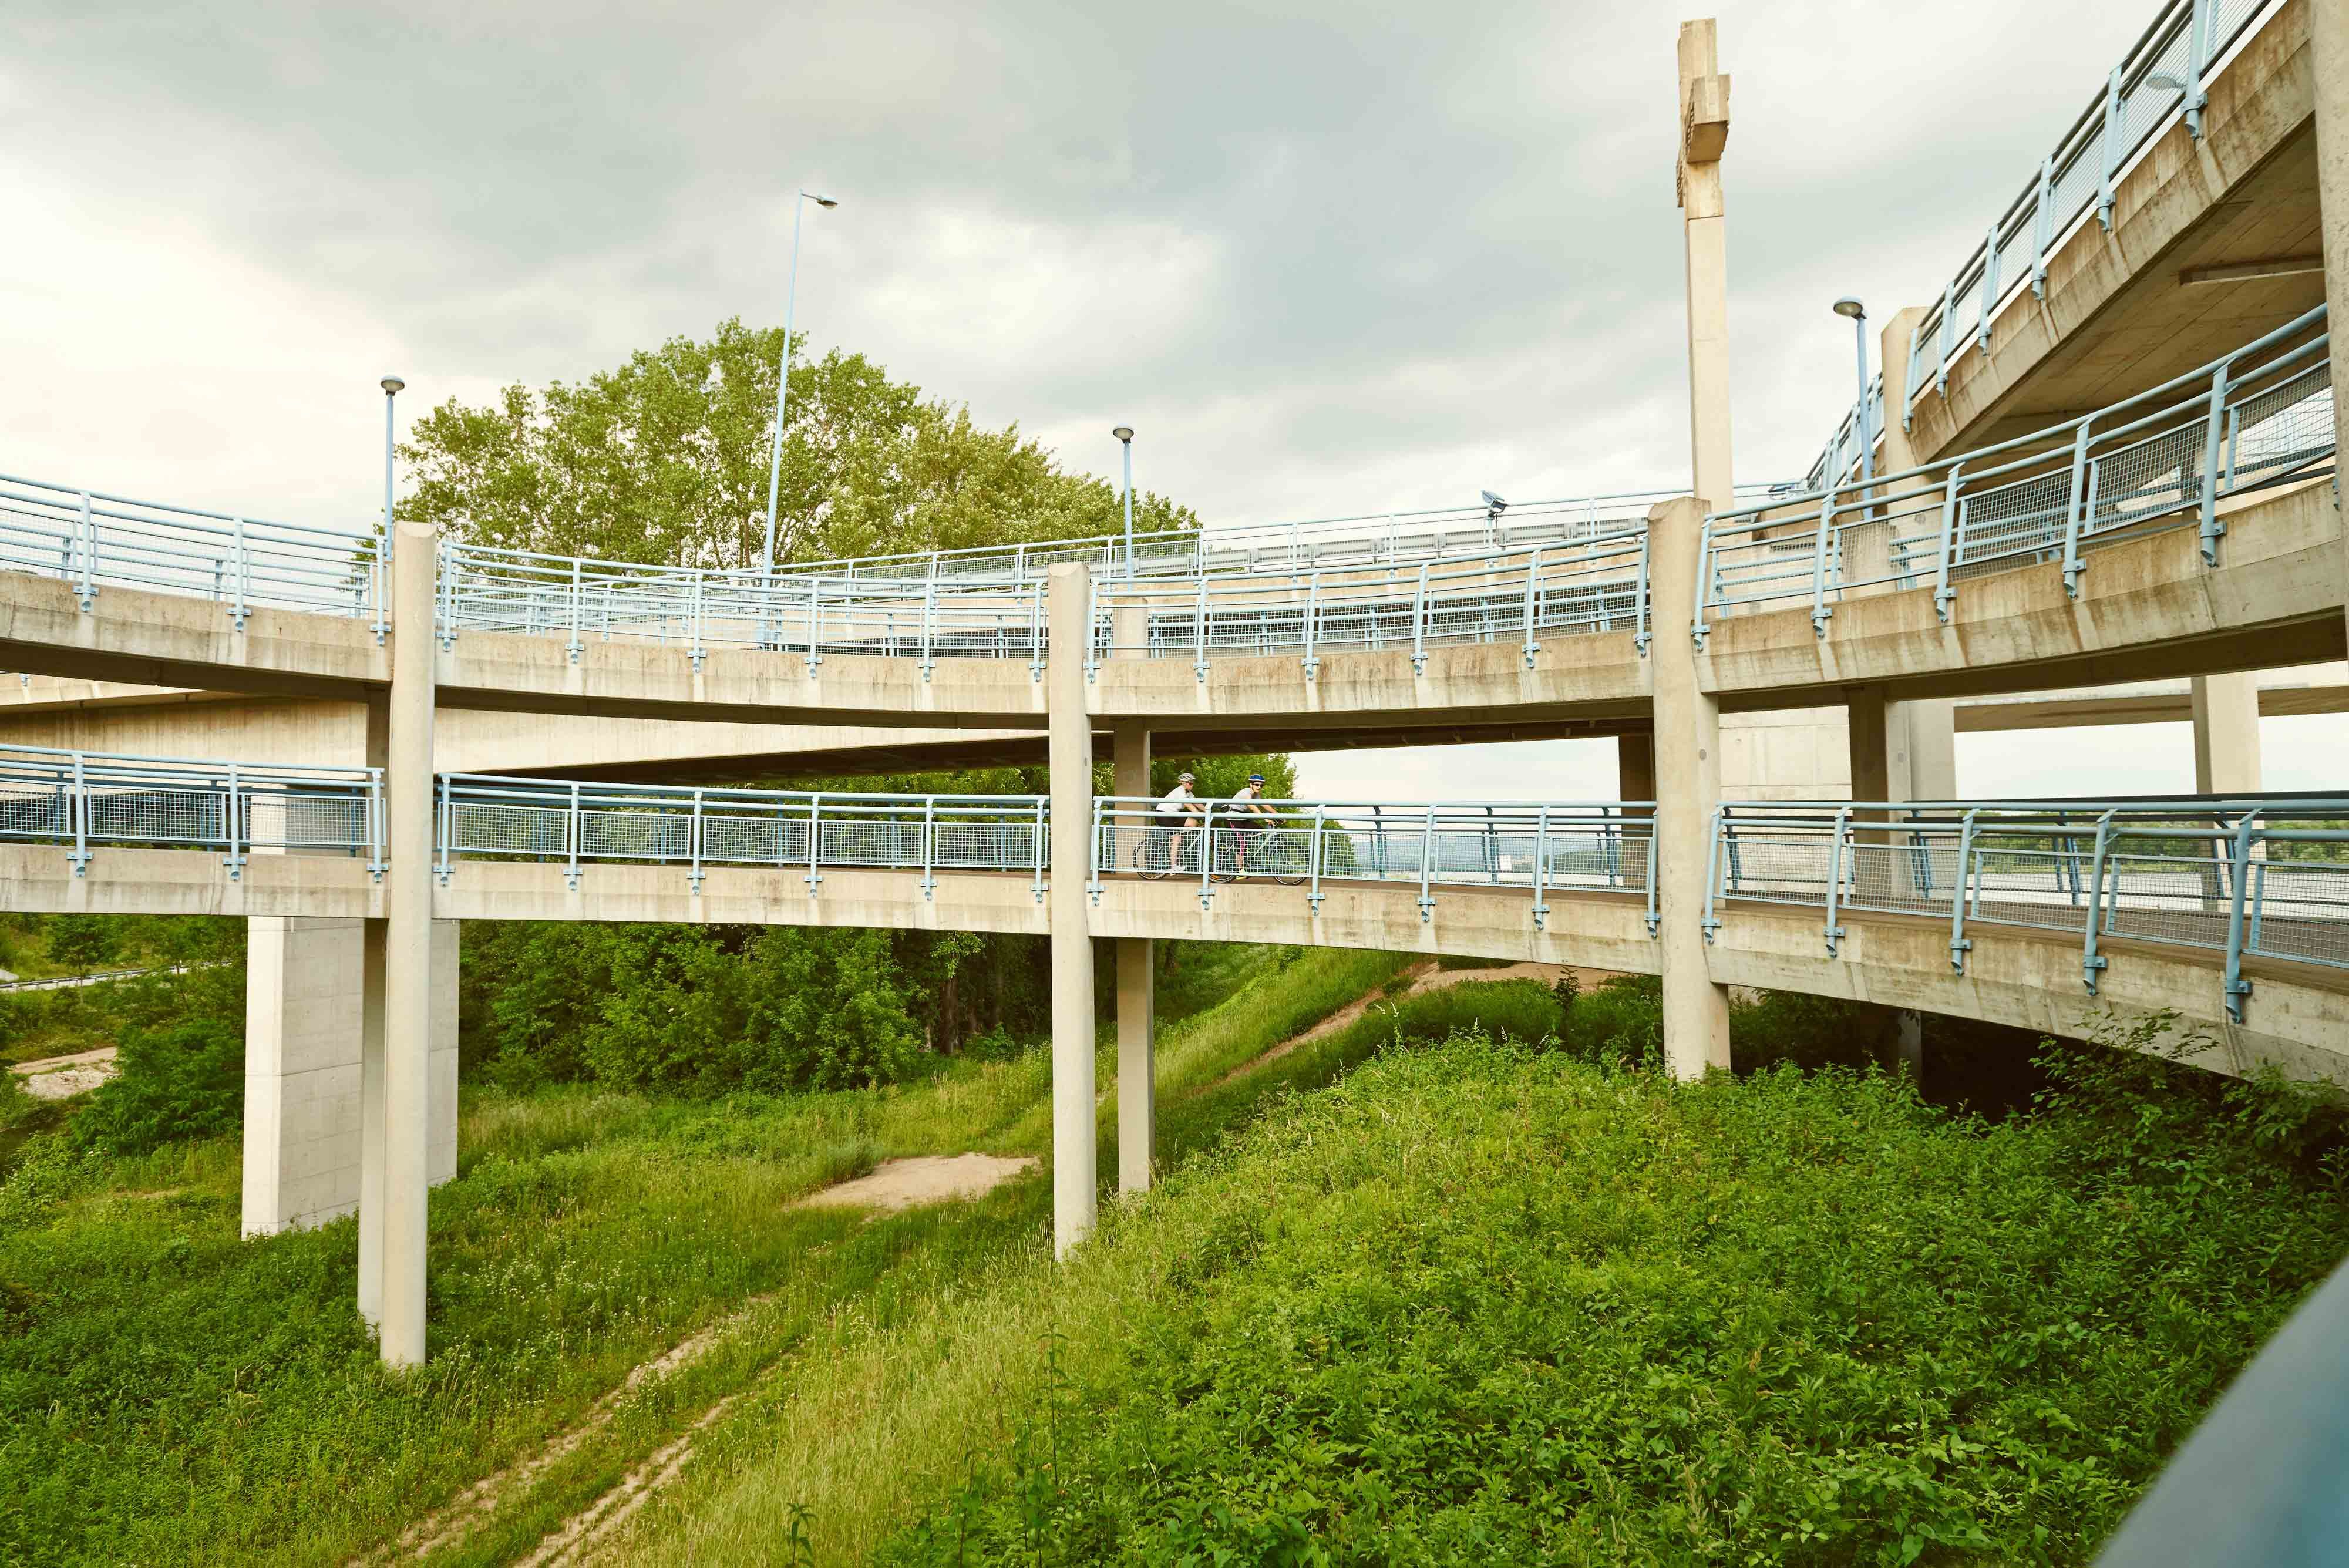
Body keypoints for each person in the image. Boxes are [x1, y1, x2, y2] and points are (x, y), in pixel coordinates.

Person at [1223, 772, 1276, 878]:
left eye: (1261, 785)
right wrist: (1265, 818)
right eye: (1257, 785)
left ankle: (1242, 851)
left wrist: (1277, 814)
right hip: (1232, 818)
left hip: (1243, 818)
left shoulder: (1256, 794)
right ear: (1251, 784)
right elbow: (1252, 807)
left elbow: (1264, 804)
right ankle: (1240, 870)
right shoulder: (1246, 793)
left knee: (1259, 830)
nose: (1259, 787)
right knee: (1242, 843)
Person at [1152, 770, 1203, 871]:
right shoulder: (1180, 792)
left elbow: (1197, 802)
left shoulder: (1188, 793)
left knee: (1193, 823)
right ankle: (1173, 866)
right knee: (1177, 838)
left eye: (1193, 783)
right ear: (1184, 783)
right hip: (1163, 814)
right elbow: (1189, 805)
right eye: (1190, 783)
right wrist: (1199, 814)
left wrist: (1208, 811)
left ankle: (1178, 842)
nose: (1192, 785)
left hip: (1173, 815)